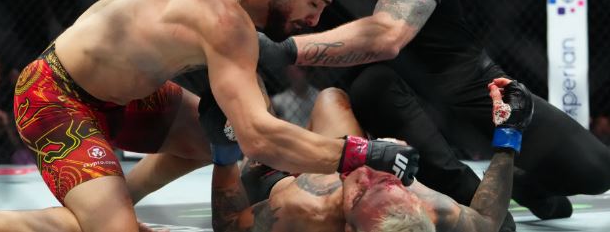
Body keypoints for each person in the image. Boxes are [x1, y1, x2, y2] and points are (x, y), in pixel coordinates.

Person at [0, 0, 419, 232]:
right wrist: (363, 152)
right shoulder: (227, 23)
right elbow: (260, 138)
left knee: (219, 140)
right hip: (56, 96)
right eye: (315, 3)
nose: (313, 20)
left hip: (128, 96)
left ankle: (117, 201)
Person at [258, 0, 610, 229]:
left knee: (596, 170)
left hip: (465, 80)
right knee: (371, 86)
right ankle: (471, 193)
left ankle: (521, 184)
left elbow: (387, 36)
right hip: (389, 104)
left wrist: (284, 51)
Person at [203, 77, 532, 232]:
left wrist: (224, 151)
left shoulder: (301, 211)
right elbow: (487, 220)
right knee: (331, 98)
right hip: (336, 158)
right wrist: (510, 133)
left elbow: (227, 224)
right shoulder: (430, 211)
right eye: (391, 181)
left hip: (276, 178)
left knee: (246, 97)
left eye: (361, 193)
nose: (368, 171)